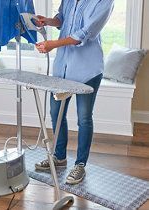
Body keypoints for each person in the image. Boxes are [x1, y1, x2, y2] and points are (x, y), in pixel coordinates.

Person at [34, 0, 114, 185]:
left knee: (84, 118)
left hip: (88, 68)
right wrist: (48, 21)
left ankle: (80, 165)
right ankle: (59, 157)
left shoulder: (104, 2)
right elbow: (62, 19)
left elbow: (84, 34)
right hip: (62, 66)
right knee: (56, 113)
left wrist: (54, 44)